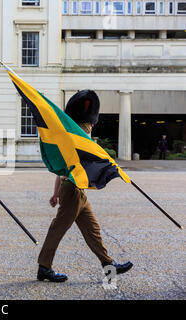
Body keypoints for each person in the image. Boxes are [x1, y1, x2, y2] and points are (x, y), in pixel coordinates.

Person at [36, 90, 133, 283]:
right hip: (72, 191)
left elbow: (62, 171)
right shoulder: (77, 141)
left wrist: (55, 194)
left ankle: (108, 265)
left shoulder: (80, 140)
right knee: (58, 229)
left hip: (75, 191)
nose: (92, 125)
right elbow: (70, 170)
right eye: (90, 122)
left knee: (93, 230)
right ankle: (44, 267)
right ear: (84, 122)